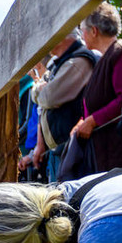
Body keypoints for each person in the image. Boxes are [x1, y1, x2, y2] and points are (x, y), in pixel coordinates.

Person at [71, 4, 122, 172]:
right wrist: (83, 122)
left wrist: (93, 120)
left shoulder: (118, 54)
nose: (82, 35)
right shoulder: (106, 57)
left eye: (83, 30)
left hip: (117, 148)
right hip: (104, 149)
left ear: (94, 31)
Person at [31, 31, 97, 182]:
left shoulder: (78, 61)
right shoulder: (60, 62)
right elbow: (42, 100)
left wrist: (41, 89)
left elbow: (48, 98)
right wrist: (41, 89)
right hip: (59, 150)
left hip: (73, 150)